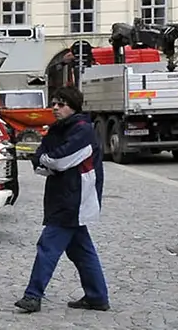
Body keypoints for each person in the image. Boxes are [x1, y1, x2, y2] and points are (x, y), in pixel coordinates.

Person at [14, 86, 109, 313]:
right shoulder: (60, 128)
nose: (55, 108)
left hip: (74, 198)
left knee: (48, 246)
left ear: (73, 107)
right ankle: (97, 296)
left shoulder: (83, 130)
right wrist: (45, 161)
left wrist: (45, 161)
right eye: (54, 103)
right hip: (65, 196)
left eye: (61, 104)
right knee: (81, 250)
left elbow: (60, 160)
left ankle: (33, 295)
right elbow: (40, 159)